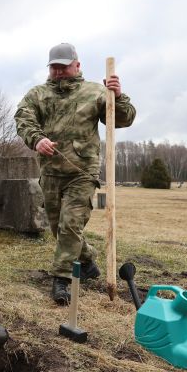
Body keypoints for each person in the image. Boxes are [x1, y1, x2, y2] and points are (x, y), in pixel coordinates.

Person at [14, 43, 136, 305]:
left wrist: (118, 96)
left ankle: (62, 279)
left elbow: (123, 119)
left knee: (71, 225)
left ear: (77, 65)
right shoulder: (38, 94)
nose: (58, 71)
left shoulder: (95, 92)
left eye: (63, 66)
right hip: (50, 173)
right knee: (59, 229)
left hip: (82, 171)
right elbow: (23, 119)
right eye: (54, 67)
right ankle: (88, 260)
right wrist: (36, 139)